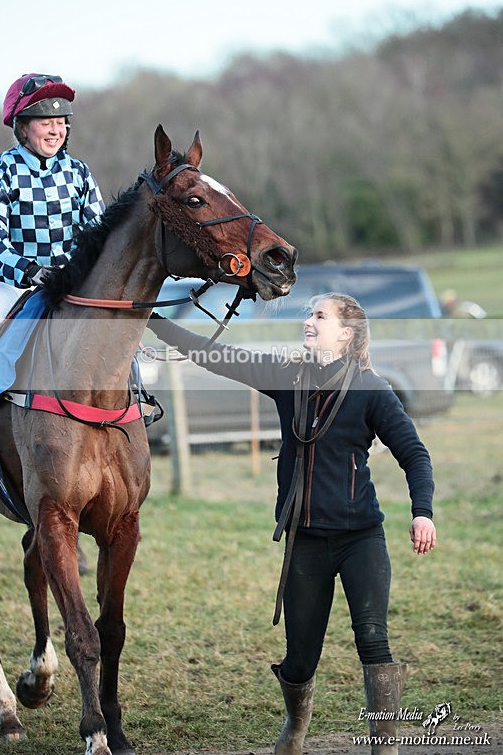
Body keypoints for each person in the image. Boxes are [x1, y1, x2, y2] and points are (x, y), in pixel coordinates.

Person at [148, 292, 436, 755]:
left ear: (345, 333)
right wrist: (157, 321)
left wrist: (421, 511)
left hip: (361, 537)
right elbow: (220, 357)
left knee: (373, 641)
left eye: (319, 316)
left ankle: (387, 747)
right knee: (300, 659)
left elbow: (415, 456)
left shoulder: (372, 390)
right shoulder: (288, 376)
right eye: (309, 313)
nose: (309, 320)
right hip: (304, 542)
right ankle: (296, 731)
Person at [0, 72, 105, 346]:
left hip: (72, 283)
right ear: (23, 129)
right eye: (46, 123)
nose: (56, 131)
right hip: (13, 287)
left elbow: (99, 235)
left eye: (61, 122)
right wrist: (31, 272)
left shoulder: (79, 172)